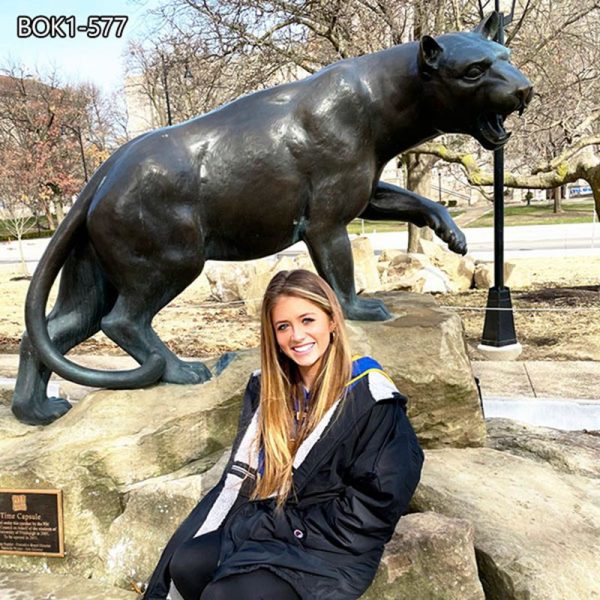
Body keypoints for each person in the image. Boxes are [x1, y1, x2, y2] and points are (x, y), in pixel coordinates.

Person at [143, 269, 424, 600]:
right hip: (278, 528)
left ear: (332, 321)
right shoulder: (271, 390)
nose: (297, 336)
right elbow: (239, 482)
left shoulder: (370, 397)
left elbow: (376, 506)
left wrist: (276, 525)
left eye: (308, 320)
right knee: (187, 564)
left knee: (223, 595)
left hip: (334, 549)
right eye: (283, 326)